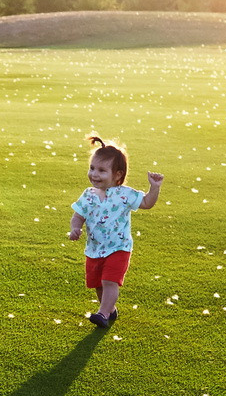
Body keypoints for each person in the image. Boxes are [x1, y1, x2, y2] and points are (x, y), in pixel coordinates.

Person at [67, 135, 161, 328]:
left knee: (109, 281)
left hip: (119, 247)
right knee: (98, 284)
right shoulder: (88, 195)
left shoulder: (124, 194)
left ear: (117, 175)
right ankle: (109, 309)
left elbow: (146, 203)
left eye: (102, 170)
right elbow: (78, 215)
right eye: (92, 168)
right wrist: (75, 228)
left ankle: (102, 313)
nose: (94, 174)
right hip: (94, 249)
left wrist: (154, 188)